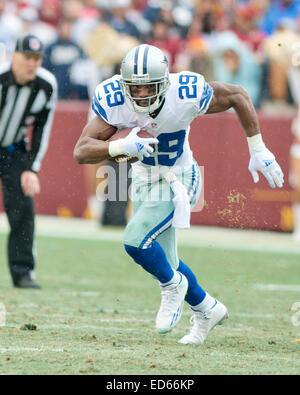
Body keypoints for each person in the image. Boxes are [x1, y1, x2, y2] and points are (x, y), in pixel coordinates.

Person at [74, 44, 284, 344]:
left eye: (150, 87)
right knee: (166, 260)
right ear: (124, 85)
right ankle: (207, 308)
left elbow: (237, 94)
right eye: (136, 88)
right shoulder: (115, 99)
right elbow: (81, 151)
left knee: (135, 241)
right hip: (143, 180)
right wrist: (119, 146)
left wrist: (258, 147)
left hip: (180, 177)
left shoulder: (184, 92)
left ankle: (173, 287)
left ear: (164, 83)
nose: (143, 95)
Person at [0, 34, 57, 289]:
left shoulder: (46, 85)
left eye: (36, 58)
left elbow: (42, 130)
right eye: (27, 57)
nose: (31, 63)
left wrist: (31, 168)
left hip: (13, 150)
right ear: (14, 56)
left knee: (24, 209)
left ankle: (22, 272)